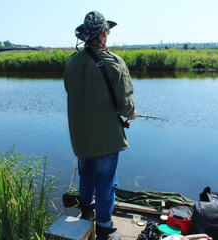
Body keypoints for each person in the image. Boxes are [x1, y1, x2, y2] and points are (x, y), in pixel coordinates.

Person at [64, 10, 137, 240]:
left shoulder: (72, 62)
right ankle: (104, 227)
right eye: (107, 31)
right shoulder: (114, 62)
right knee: (107, 184)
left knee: (86, 175)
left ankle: (86, 209)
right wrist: (132, 113)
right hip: (106, 138)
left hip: (81, 136)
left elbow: (70, 90)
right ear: (104, 34)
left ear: (86, 36)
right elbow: (126, 107)